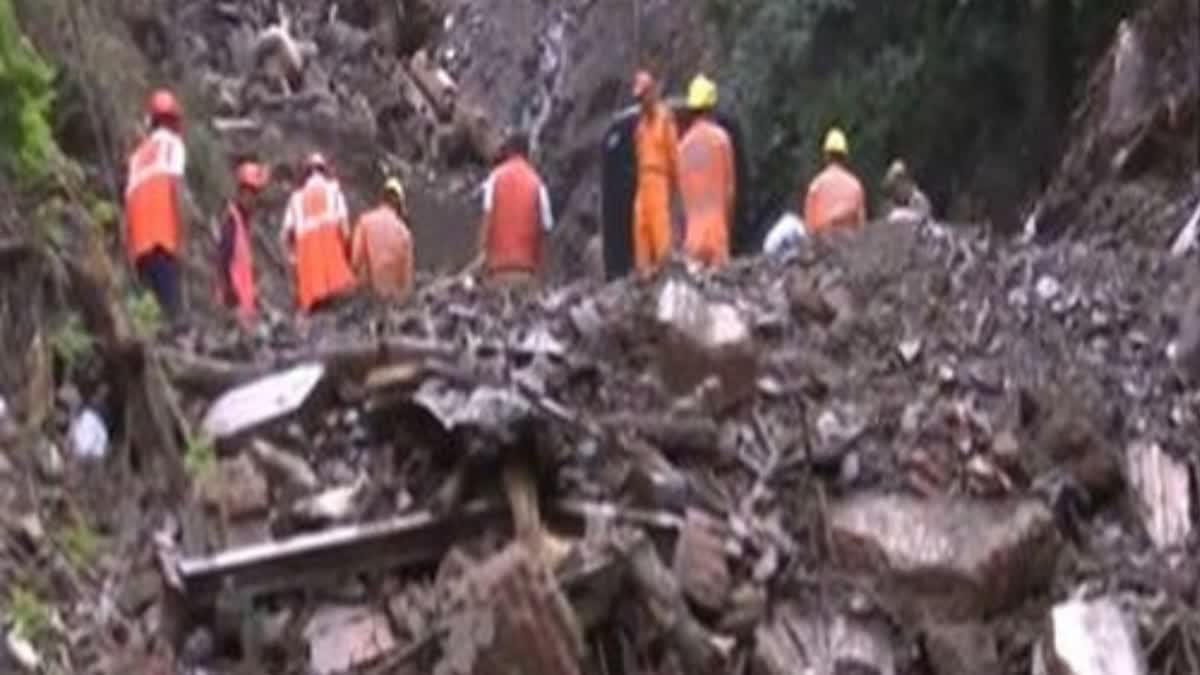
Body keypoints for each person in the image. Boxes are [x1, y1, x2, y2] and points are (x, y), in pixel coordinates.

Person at [124, 89, 188, 322]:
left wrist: (129, 251)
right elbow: (176, 191)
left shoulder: (136, 158)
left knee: (150, 321)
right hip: (164, 241)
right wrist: (183, 237)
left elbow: (128, 208)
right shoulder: (173, 146)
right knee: (172, 317)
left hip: (140, 250)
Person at [279, 153, 356, 313]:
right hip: (336, 280)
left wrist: (292, 260)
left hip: (310, 284)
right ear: (325, 171)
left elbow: (283, 237)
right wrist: (348, 257)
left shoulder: (295, 199)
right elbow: (345, 230)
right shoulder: (334, 191)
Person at [477, 131, 554, 289]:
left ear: (508, 151)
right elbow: (546, 234)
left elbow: (486, 226)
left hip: (497, 273)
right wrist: (541, 280)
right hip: (526, 274)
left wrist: (481, 272)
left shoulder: (494, 179)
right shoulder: (538, 185)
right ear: (529, 154)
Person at [678, 75, 736, 268]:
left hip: (692, 239)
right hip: (716, 234)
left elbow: (680, 202)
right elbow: (729, 192)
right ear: (712, 106)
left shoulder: (682, 147)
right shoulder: (721, 140)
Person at [631, 69, 681, 274]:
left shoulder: (665, 119)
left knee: (661, 230)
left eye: (644, 96)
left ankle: (664, 270)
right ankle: (643, 271)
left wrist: (675, 192)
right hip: (643, 181)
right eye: (638, 98)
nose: (641, 102)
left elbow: (674, 156)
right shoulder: (640, 127)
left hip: (660, 179)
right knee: (640, 226)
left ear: (652, 93)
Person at [216, 161, 269, 320]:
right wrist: (229, 291)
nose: (253, 200)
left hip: (244, 308)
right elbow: (223, 258)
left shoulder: (243, 224)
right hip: (234, 307)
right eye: (251, 193)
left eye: (256, 194)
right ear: (241, 192)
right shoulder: (232, 221)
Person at [351, 178, 415, 302]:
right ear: (399, 205)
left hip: (368, 297)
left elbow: (355, 260)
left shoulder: (364, 222)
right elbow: (407, 280)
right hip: (392, 299)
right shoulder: (404, 233)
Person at [803, 127, 867, 233]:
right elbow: (861, 226)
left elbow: (809, 229)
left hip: (824, 244)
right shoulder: (855, 185)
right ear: (845, 157)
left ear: (826, 156)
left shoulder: (816, 185)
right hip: (850, 244)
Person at [881, 159, 933, 227]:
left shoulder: (920, 200)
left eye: (901, 181)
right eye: (896, 183)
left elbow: (923, 220)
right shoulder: (891, 203)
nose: (898, 186)